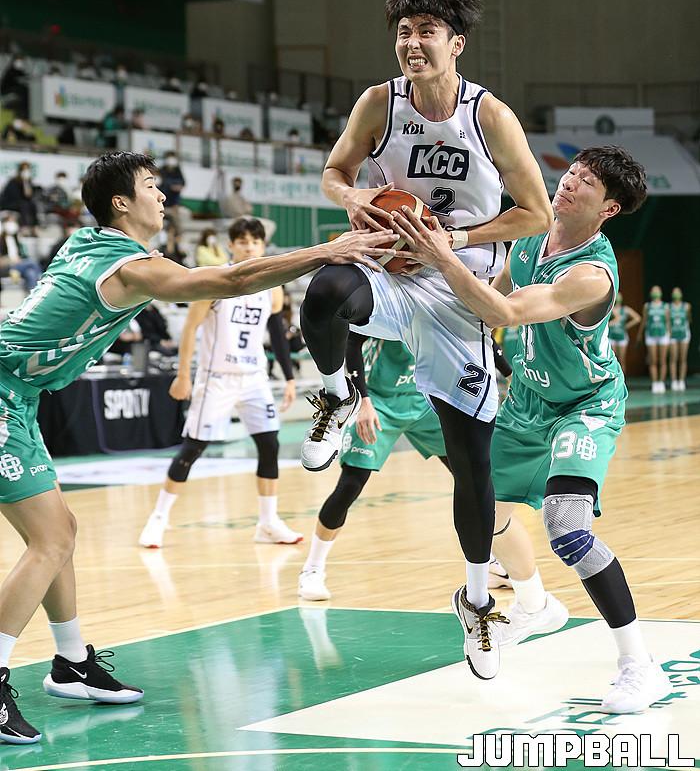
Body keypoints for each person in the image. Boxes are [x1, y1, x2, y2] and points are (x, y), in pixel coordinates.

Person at [0, 151, 396, 745]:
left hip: (20, 395)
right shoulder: (128, 268)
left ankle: (71, 662)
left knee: (61, 532)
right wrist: (327, 251)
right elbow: (229, 282)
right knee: (50, 540)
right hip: (3, 392)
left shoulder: (88, 244)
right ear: (121, 204)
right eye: (151, 186)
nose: (163, 196)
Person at [298, 0, 552, 679]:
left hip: (457, 287)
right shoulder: (379, 103)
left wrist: (452, 238)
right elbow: (334, 171)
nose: (412, 43)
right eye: (404, 32)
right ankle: (336, 395)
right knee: (325, 289)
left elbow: (535, 213)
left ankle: (478, 601)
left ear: (456, 43)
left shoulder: (489, 116)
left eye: (426, 32)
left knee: (472, 464)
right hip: (391, 268)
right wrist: (355, 197)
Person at [392, 144, 672, 714]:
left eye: (588, 181)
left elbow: (506, 312)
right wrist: (420, 273)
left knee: (567, 529)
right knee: (483, 508)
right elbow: (485, 291)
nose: (569, 181)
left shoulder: (591, 275)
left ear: (609, 208)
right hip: (525, 402)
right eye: (573, 171)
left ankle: (640, 666)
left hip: (584, 404)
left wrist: (441, 253)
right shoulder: (529, 238)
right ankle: (534, 605)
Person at [139, 218, 301, 549]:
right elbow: (189, 329)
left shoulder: (272, 287)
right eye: (242, 241)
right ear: (231, 245)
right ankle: (158, 518)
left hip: (254, 377)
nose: (249, 247)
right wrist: (183, 375)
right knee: (194, 447)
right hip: (217, 377)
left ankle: (268, 522)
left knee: (269, 444)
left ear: (262, 246)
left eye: (254, 241)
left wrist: (288, 377)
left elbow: (276, 333)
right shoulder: (214, 281)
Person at [299, 334, 450, 600]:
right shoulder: (387, 309)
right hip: (378, 401)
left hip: (422, 399)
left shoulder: (443, 308)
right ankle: (312, 570)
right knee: (350, 486)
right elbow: (352, 342)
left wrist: (505, 372)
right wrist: (364, 402)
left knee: (472, 476)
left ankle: (492, 561)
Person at [639, 286, 670, 393]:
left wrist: (669, 334)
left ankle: (661, 382)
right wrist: (640, 334)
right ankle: (654, 382)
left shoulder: (665, 306)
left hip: (663, 335)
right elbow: (644, 320)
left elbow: (667, 321)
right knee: (653, 360)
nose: (655, 292)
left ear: (661, 292)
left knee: (662, 360)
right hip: (651, 334)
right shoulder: (647, 306)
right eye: (653, 290)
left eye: (657, 290)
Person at [0, 214, 42, 291]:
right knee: (32, 263)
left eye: (13, 221)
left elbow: (24, 254)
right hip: (8, 266)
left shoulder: (16, 238)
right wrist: (11, 260)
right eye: (9, 222)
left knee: (30, 273)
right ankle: (43, 281)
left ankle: (32, 294)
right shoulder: (1, 240)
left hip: (20, 265)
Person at [0, 162, 39, 233]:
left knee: (32, 205)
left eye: (28, 170)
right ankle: (24, 227)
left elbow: (29, 195)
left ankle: (34, 227)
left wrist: (25, 182)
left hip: (21, 204)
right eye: (24, 170)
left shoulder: (28, 182)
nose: (26, 172)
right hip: (9, 203)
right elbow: (15, 196)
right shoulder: (13, 182)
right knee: (24, 204)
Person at [608, 292, 641, 375]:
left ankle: (622, 379)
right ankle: (613, 378)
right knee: (612, 359)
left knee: (622, 359)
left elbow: (637, 318)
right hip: (611, 336)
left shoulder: (625, 309)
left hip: (622, 336)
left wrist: (626, 326)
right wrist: (610, 323)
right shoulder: (609, 308)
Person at [668, 286, 691, 391]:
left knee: (683, 358)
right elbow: (667, 321)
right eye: (674, 292)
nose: (676, 294)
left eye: (678, 292)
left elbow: (689, 319)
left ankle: (681, 380)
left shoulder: (686, 306)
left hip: (684, 333)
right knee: (673, 357)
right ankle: (674, 381)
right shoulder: (668, 307)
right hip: (672, 334)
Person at [158, 152, 186, 231]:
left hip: (173, 204)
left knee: (175, 219)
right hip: (162, 202)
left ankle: (177, 235)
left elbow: (182, 183)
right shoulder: (161, 171)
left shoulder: (177, 171)